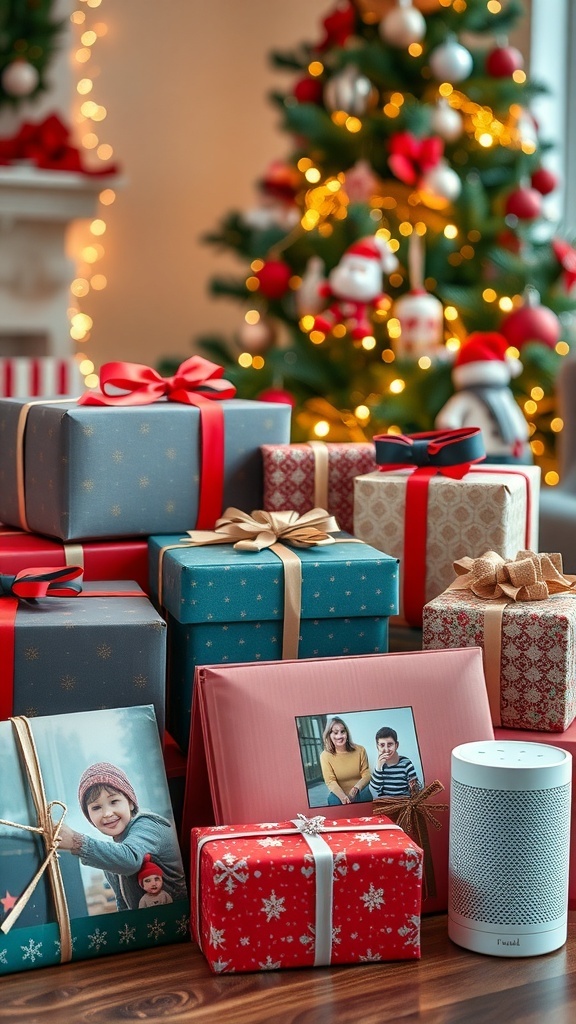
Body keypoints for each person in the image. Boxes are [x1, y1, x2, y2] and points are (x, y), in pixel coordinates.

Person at [57, 762, 187, 911]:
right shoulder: (111, 854)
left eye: (114, 802)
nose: (107, 813)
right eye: (96, 807)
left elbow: (130, 860)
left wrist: (76, 843)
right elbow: (123, 904)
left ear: (131, 803)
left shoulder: (148, 824)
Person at [319, 717, 372, 806]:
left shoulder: (360, 750)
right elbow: (330, 781)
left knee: (366, 794)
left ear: (347, 733)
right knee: (332, 800)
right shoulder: (325, 756)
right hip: (339, 793)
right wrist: (343, 797)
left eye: (342, 731)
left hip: (360, 791)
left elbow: (366, 774)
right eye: (335, 733)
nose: (339, 736)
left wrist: (355, 789)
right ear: (329, 735)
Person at [370, 727, 421, 798]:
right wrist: (378, 767)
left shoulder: (406, 763)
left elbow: (415, 787)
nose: (386, 750)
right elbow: (375, 788)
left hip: (403, 802)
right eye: (382, 745)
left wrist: (413, 788)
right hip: (386, 804)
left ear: (396, 745)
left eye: (390, 744)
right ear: (377, 747)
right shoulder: (379, 765)